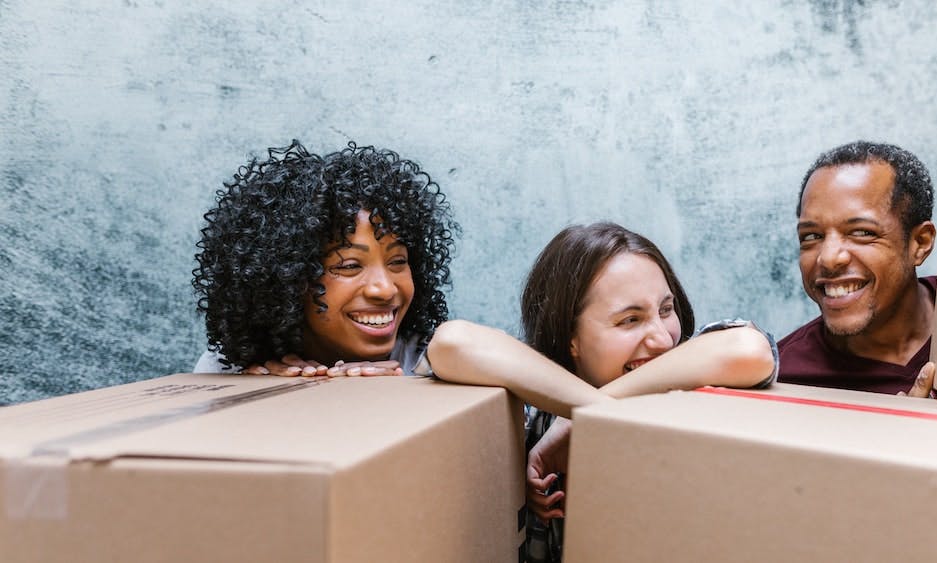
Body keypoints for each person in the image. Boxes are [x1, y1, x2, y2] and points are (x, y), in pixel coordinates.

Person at [424, 222, 777, 563]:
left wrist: (588, 414)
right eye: (630, 320)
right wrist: (584, 408)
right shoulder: (534, 419)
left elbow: (751, 350)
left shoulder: (695, 378)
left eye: (666, 310)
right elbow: (452, 344)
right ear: (571, 338)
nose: (663, 338)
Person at [192, 140, 457, 376]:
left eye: (398, 261)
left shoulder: (428, 360)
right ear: (286, 281)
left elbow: (464, 344)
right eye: (350, 266)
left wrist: (432, 364)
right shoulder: (232, 370)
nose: (385, 289)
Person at [777, 140, 937, 397]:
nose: (828, 259)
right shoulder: (786, 381)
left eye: (862, 232)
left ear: (920, 243)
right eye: (811, 236)